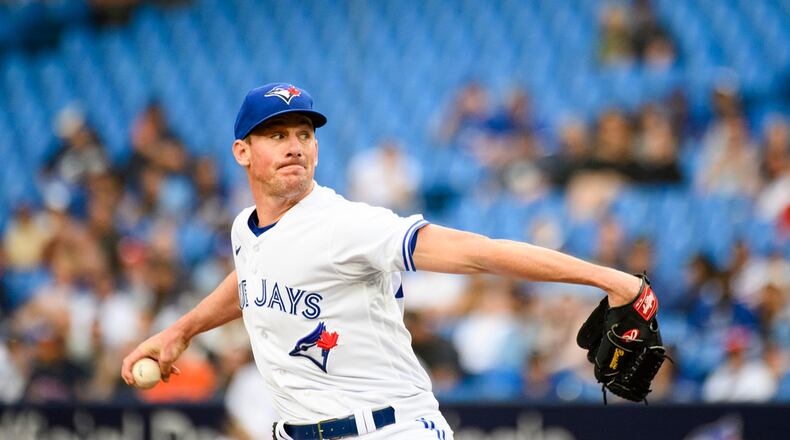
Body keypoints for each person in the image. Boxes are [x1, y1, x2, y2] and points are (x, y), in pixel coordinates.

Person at [121, 83, 647, 440]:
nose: (294, 146)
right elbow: (253, 276)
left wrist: (606, 277)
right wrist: (183, 331)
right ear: (242, 152)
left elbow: (477, 253)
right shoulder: (247, 229)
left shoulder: (346, 225)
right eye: (277, 135)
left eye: (304, 134)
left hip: (386, 429)